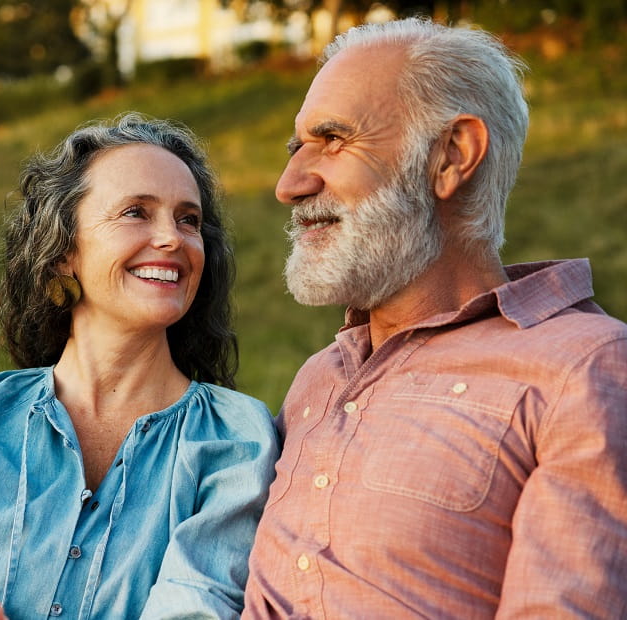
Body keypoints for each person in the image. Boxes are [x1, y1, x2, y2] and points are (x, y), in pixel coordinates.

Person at [243, 17, 627, 618]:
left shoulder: (583, 368)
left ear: (452, 155)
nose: (290, 183)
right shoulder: (316, 381)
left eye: (334, 139)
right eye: (297, 147)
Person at [0, 113, 280, 620]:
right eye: (136, 211)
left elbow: (196, 606)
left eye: (188, 219)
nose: (172, 239)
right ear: (62, 252)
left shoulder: (235, 440)